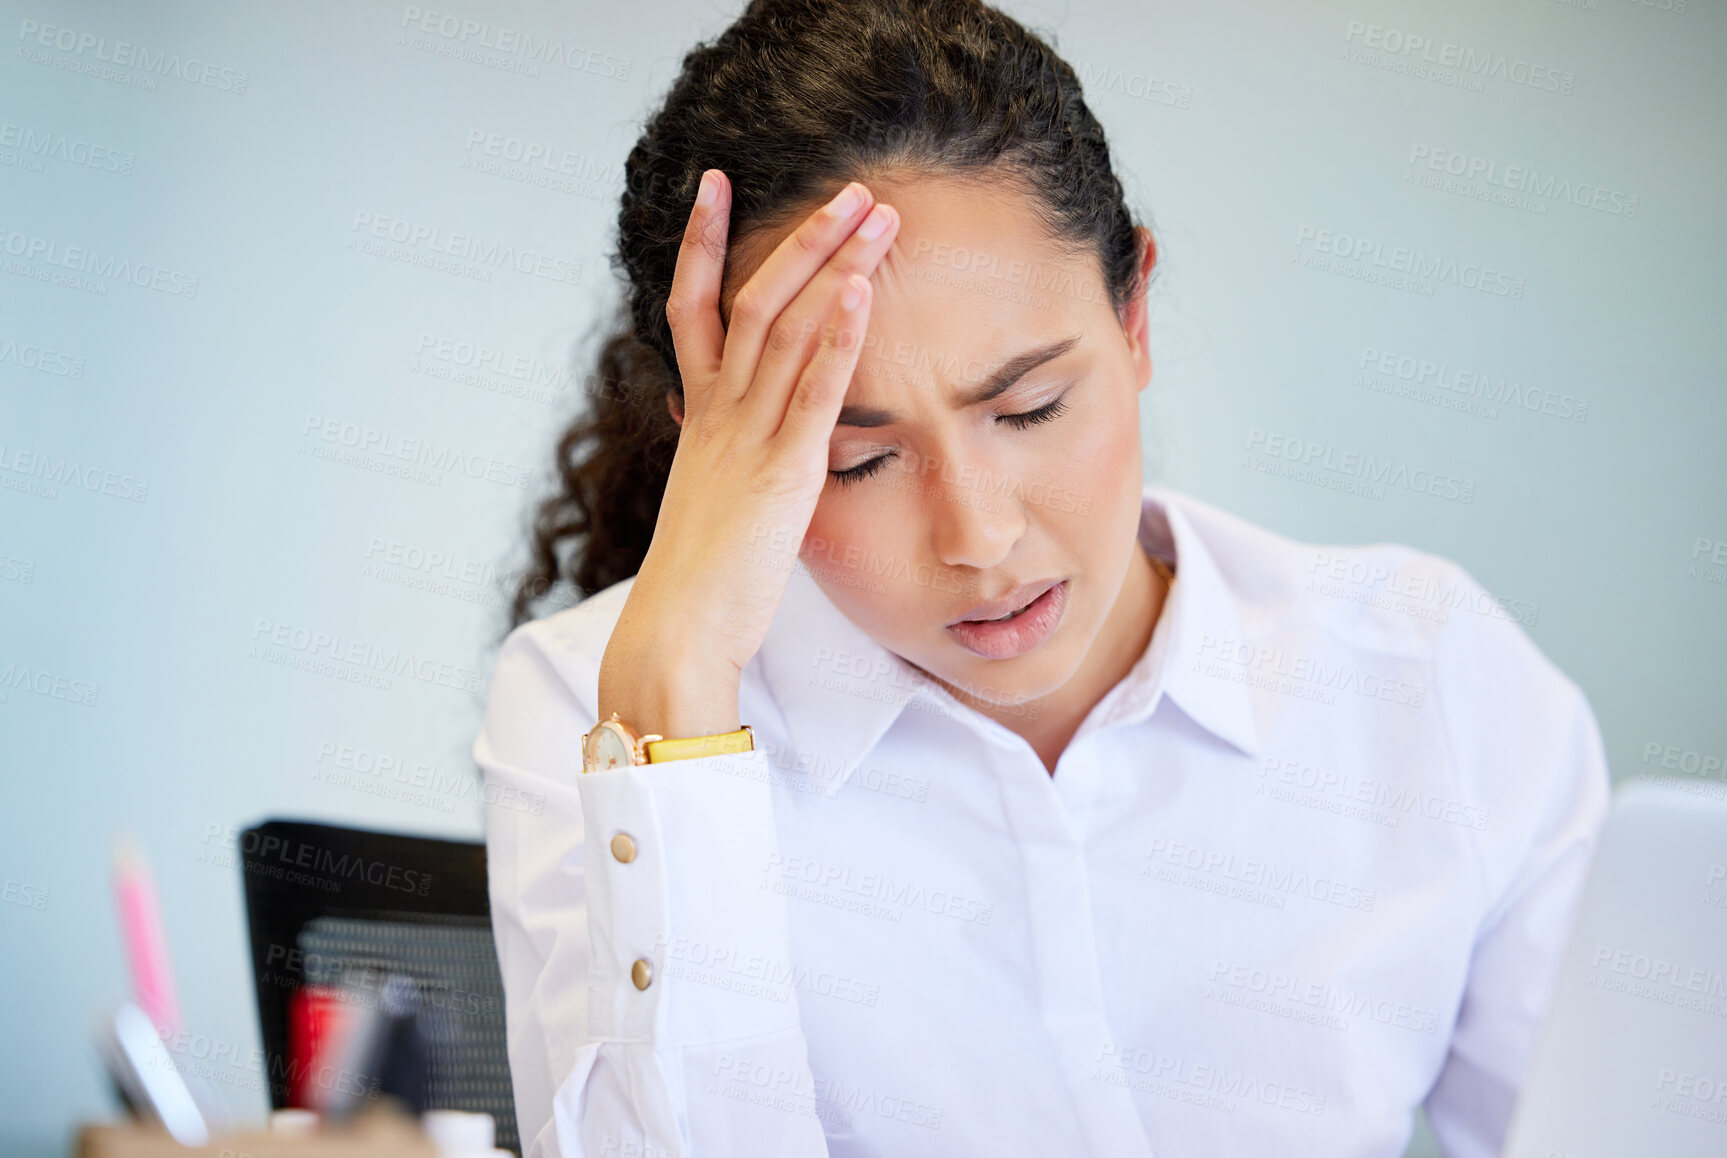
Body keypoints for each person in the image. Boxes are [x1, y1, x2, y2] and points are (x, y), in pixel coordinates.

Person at [471, 1, 1611, 1155]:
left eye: (1028, 408)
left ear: (1133, 321)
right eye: (853, 460)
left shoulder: (1422, 674)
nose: (975, 532)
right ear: (721, 455)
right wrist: (673, 698)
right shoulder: (589, 708)